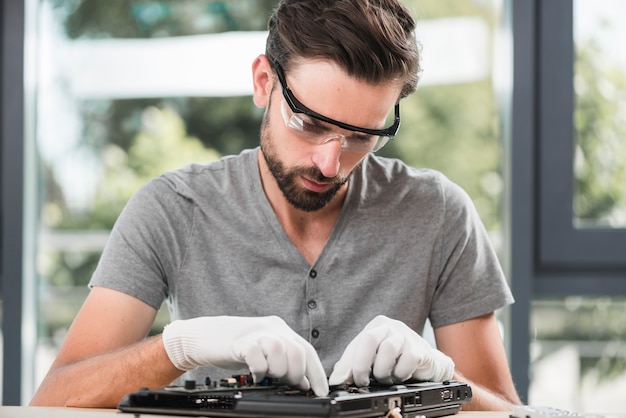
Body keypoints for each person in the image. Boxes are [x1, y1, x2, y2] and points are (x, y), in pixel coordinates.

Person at [31, 0, 521, 411]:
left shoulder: (437, 213)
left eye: (361, 137)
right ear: (264, 82)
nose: (330, 163)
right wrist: (181, 346)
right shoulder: (172, 209)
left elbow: (510, 411)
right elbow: (53, 401)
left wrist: (437, 379)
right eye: (308, 123)